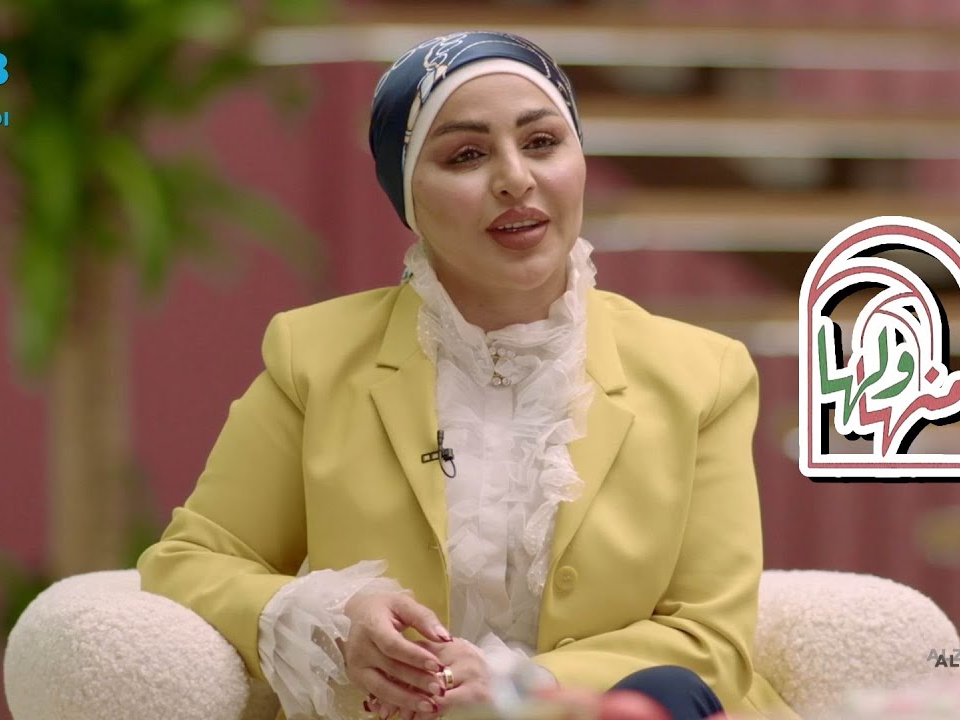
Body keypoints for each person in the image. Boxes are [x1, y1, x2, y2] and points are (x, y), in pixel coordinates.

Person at [138, 31, 799, 720]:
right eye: (467, 155)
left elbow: (710, 641)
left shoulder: (701, 374)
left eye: (542, 142)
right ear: (407, 194)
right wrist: (332, 615)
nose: (516, 178)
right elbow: (191, 560)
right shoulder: (314, 357)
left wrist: (519, 683)